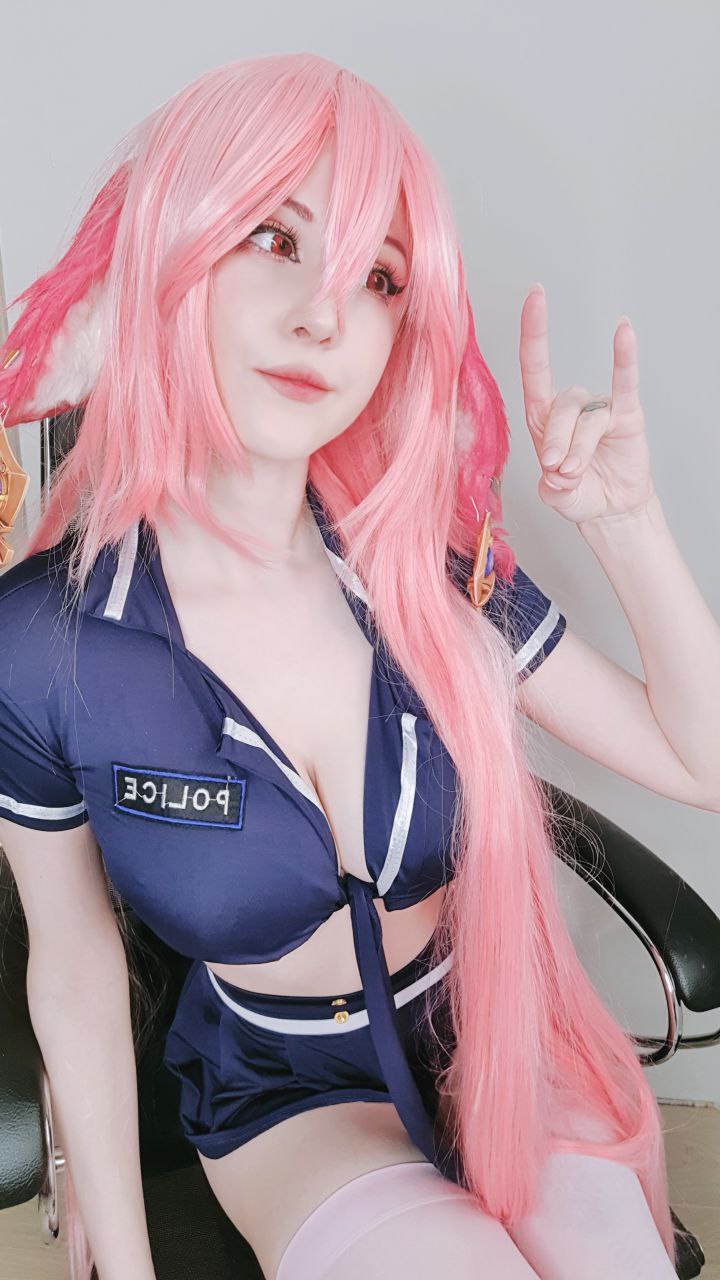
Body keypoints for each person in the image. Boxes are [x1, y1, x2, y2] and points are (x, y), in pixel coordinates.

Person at [1, 51, 717, 1280]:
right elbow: (70, 963)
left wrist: (628, 525)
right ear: (171, 252)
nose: (322, 317)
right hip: (287, 1096)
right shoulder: (50, 638)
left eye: (377, 277)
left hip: (494, 1033)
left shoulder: (428, 563)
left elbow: (698, 764)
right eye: (272, 240)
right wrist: (120, 1261)